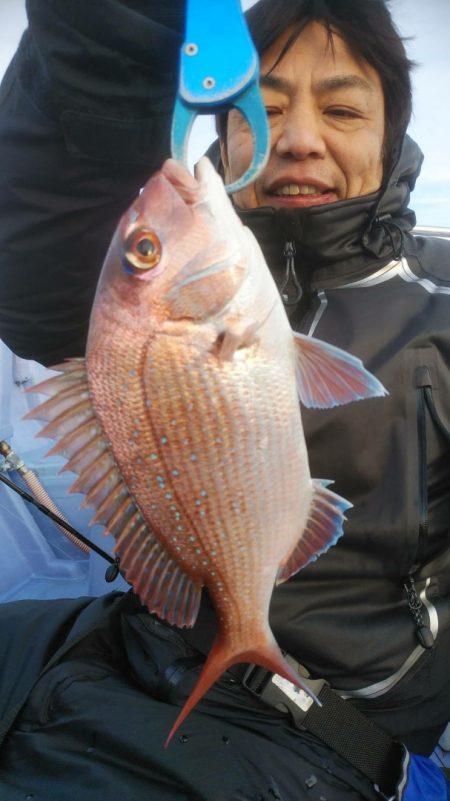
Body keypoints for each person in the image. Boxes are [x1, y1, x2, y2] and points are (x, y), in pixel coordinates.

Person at [0, 1, 449, 799]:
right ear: (226, 129)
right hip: (137, 646)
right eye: (266, 107)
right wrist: (101, 45)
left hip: (331, 722)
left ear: (391, 131)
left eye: (342, 107)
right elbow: (36, 249)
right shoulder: (144, 291)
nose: (301, 137)